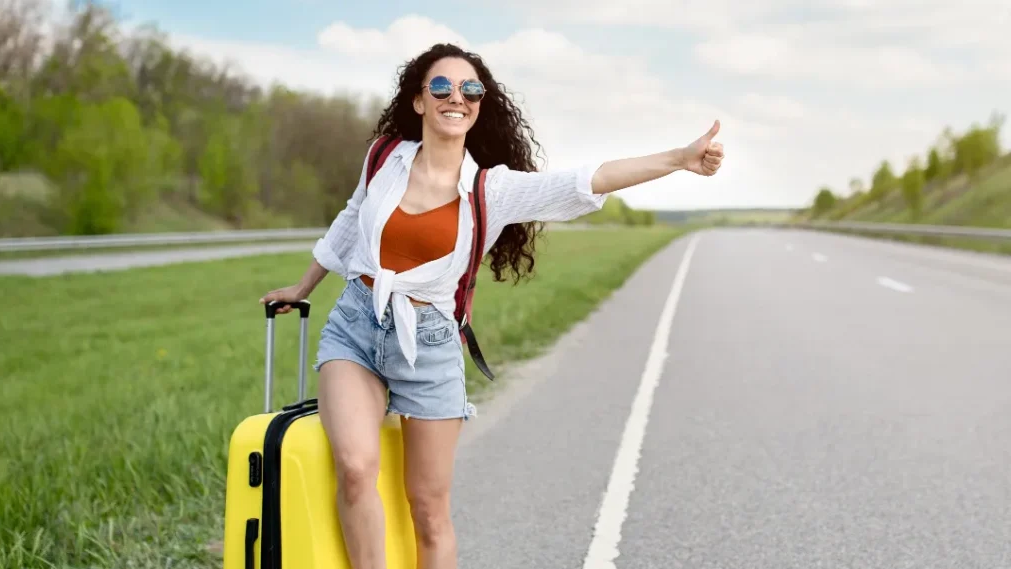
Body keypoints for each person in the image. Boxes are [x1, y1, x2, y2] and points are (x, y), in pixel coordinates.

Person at [259, 42, 724, 569]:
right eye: (441, 86)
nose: (456, 97)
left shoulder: (491, 190)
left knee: (429, 510)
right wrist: (304, 286)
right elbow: (351, 217)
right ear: (419, 100)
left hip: (430, 347)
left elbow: (586, 180)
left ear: (481, 103)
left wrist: (679, 159)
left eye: (470, 89)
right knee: (356, 468)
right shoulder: (384, 155)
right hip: (355, 326)